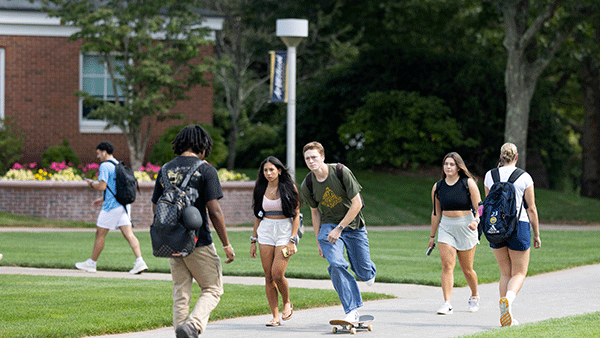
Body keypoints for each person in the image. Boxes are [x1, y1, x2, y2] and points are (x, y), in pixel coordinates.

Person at [151, 125, 235, 338]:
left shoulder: (165, 169)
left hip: (172, 241)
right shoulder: (206, 170)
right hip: (199, 240)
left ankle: (182, 331)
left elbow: (156, 206)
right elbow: (214, 211)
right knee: (213, 289)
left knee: (181, 293)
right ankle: (193, 325)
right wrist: (226, 244)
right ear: (203, 146)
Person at [299, 141, 376, 324]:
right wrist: (319, 241)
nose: (311, 161)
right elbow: (315, 212)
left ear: (323, 157)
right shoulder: (307, 184)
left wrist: (340, 228)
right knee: (336, 265)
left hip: (353, 226)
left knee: (363, 272)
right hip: (328, 226)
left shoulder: (341, 171)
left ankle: (368, 272)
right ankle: (352, 310)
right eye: (307, 158)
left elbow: (357, 203)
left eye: (314, 157)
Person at [484, 143, 541, 327]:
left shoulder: (489, 175)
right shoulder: (524, 177)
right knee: (519, 272)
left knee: (504, 273)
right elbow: (531, 208)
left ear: (500, 157)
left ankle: (506, 317)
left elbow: (488, 205)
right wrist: (537, 234)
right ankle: (508, 301)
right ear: (516, 157)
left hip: (497, 227)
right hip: (519, 225)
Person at [76, 141, 148, 274]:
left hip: (111, 207)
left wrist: (91, 184)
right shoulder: (117, 164)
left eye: (98, 154)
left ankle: (91, 263)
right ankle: (140, 261)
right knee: (129, 234)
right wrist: (102, 198)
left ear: (104, 152)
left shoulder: (104, 166)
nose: (98, 157)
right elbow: (115, 187)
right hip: (124, 205)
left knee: (100, 234)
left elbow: (102, 186)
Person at [250, 156, 301, 327]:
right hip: (265, 231)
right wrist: (253, 240)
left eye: (272, 169)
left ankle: (287, 302)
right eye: (265, 170)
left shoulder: (289, 187)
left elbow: (296, 216)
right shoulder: (260, 188)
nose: (268, 173)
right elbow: (258, 215)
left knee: (277, 273)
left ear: (279, 170)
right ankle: (275, 316)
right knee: (268, 276)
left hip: (284, 231)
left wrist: (292, 239)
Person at [429, 152, 482, 315]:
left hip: (466, 226)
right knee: (447, 266)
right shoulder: (438, 187)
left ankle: (474, 296)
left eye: (452, 164)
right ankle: (447, 303)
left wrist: (476, 220)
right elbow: (436, 213)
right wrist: (432, 237)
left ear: (459, 167)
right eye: (446, 164)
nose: (448, 167)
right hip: (446, 227)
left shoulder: (468, 183)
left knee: (467, 269)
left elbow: (480, 207)